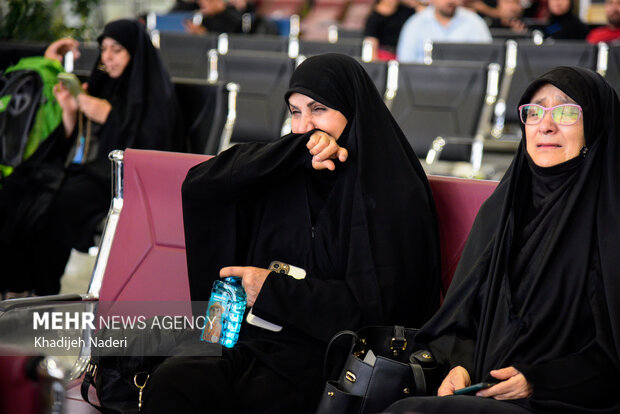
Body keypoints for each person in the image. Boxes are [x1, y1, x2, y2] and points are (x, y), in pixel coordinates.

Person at [141, 53, 442, 413]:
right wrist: (292, 153)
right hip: (260, 342)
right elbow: (201, 187)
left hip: (339, 363)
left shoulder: (391, 191)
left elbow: (377, 313)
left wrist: (273, 290)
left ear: (352, 111)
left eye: (318, 110)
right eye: (295, 112)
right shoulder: (291, 173)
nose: (303, 127)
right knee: (174, 379)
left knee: (257, 397)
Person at [384, 65, 620, 413]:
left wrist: (537, 380)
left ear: (596, 125)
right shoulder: (503, 211)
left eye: (567, 111)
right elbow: (461, 318)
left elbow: (610, 360)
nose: (546, 124)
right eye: (534, 111)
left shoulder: (610, 224)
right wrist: (460, 366)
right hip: (483, 391)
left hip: (562, 402)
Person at [0, 19, 179, 298]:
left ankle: (43, 294)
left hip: (118, 179)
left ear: (134, 53)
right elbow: (75, 140)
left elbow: (150, 149)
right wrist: (71, 111)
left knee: (57, 205)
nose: (107, 57)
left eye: (116, 50)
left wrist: (107, 115)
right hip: (82, 170)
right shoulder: (102, 85)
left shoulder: (154, 95)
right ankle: (15, 284)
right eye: (104, 49)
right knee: (16, 190)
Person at [396, 0, 492, 63]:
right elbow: (405, 64)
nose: (450, 1)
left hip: (468, 87)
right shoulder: (415, 24)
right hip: (423, 86)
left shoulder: (475, 23)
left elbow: (488, 60)